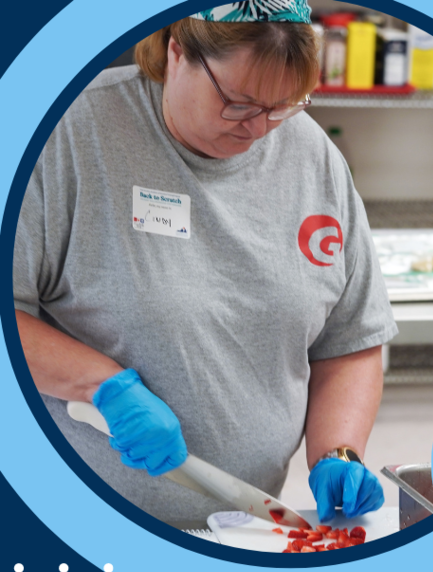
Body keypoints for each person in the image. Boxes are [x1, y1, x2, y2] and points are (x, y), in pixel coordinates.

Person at [14, 1, 395, 528]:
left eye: (282, 104)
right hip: (75, 518)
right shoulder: (65, 130)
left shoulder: (311, 155)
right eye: (239, 103)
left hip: (244, 528)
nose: (259, 129)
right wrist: (101, 386)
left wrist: (338, 452)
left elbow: (348, 343)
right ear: (177, 51)